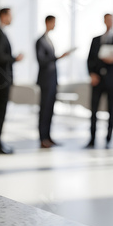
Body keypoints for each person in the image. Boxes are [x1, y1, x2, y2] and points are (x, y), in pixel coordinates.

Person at [86, 14, 113, 149]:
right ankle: (92, 139)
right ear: (104, 21)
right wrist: (92, 74)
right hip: (97, 80)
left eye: (111, 20)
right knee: (94, 110)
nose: (109, 22)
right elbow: (89, 59)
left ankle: (108, 139)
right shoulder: (96, 40)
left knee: (111, 111)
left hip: (111, 81)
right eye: (107, 19)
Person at [0, 8, 24, 154]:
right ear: (3, 16)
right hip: (2, 80)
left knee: (2, 111)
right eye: (10, 15)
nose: (12, 18)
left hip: (4, 78)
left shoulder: (1, 33)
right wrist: (14, 58)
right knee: (0, 111)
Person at [36, 15, 70, 148]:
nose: (54, 25)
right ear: (47, 22)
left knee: (50, 110)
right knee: (44, 109)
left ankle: (48, 137)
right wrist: (57, 57)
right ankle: (42, 138)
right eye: (53, 23)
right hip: (45, 80)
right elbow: (41, 60)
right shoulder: (40, 41)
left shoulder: (49, 40)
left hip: (52, 80)